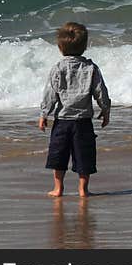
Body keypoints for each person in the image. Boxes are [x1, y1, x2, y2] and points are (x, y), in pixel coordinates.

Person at [38, 22, 111, 198]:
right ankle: (83, 190)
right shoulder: (91, 68)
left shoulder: (58, 68)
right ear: (85, 47)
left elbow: (50, 93)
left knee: (58, 155)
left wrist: (44, 114)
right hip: (83, 122)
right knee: (84, 156)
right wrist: (105, 109)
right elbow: (100, 91)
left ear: (60, 48)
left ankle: (58, 188)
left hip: (62, 121)